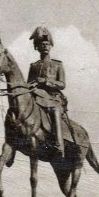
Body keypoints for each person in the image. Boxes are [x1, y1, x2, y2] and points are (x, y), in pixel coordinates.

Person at [28, 26, 66, 155]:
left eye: (47, 44)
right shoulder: (34, 66)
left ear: (50, 46)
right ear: (37, 47)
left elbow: (62, 84)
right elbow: (29, 83)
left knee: (55, 110)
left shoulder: (57, 65)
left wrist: (45, 82)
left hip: (54, 98)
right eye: (42, 44)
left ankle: (59, 144)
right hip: (37, 96)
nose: (45, 46)